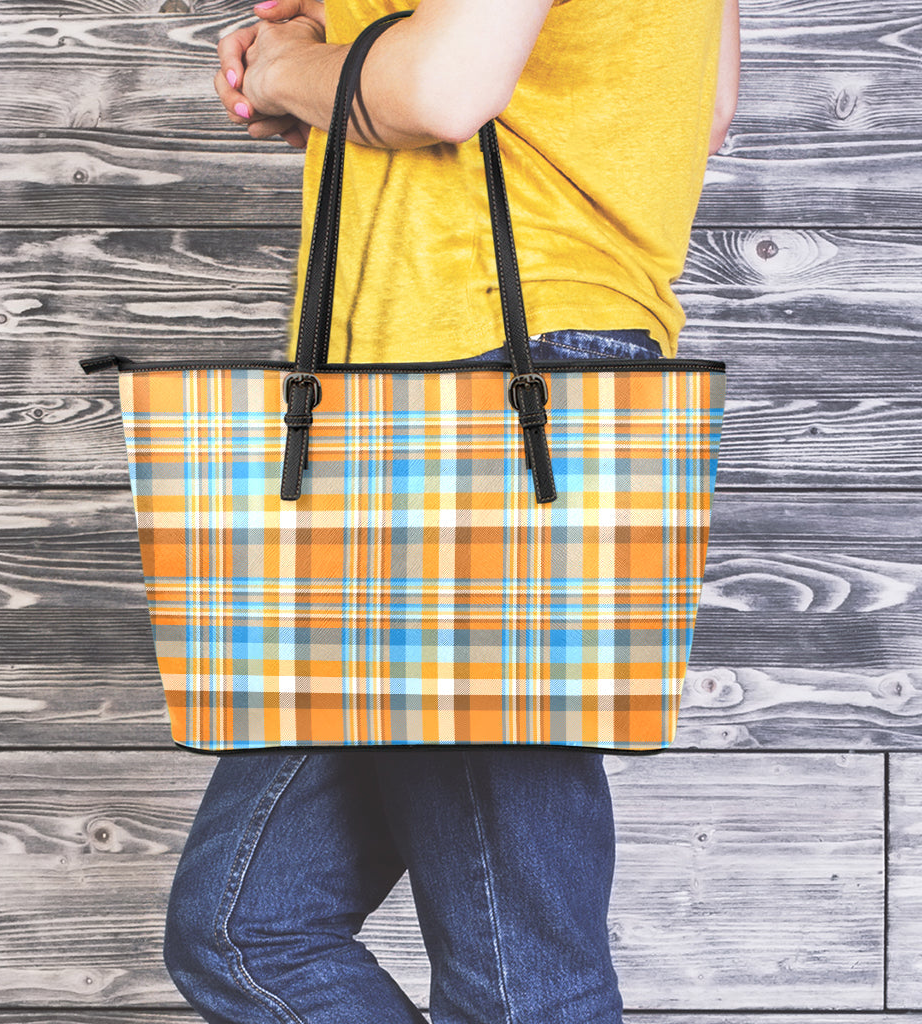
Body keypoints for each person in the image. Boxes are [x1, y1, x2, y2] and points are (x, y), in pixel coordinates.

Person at [162, 2, 740, 1023]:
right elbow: (695, 106)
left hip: (480, 390)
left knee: (521, 980)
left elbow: (440, 90)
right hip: (429, 408)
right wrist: (339, 72)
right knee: (244, 927)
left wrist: (291, 68)